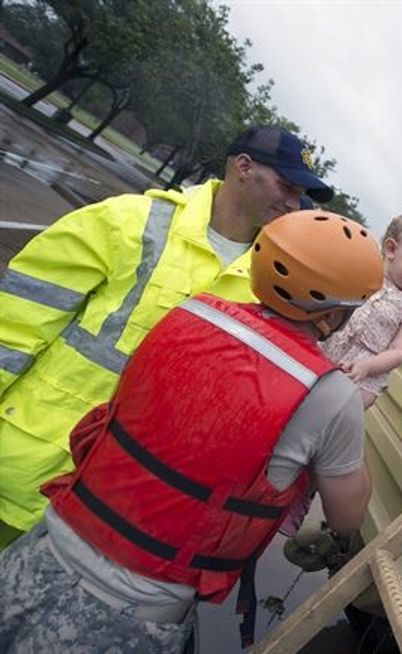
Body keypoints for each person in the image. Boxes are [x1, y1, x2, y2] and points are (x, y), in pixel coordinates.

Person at [0, 209, 383, 652]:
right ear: (335, 314)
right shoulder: (331, 394)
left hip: (40, 551)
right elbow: (346, 518)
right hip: (130, 616)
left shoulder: (188, 311)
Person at [0, 125, 334, 547]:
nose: (294, 202)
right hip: (21, 469)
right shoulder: (126, 222)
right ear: (243, 167)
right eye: (287, 185)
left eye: (301, 192)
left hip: (116, 512)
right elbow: (13, 330)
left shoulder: (273, 288)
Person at [324, 213, 402, 408]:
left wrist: (368, 367)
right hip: (327, 352)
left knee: (334, 415)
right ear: (391, 250)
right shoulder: (363, 275)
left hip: (363, 378)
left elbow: (399, 352)